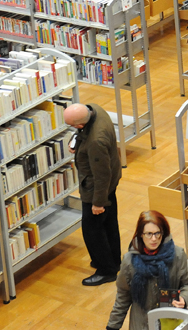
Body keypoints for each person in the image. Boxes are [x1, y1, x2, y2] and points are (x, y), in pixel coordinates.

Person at [64, 102, 122, 287]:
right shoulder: (95, 109)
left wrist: (98, 202)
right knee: (110, 223)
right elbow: (83, 131)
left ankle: (106, 270)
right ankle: (113, 260)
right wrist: (77, 139)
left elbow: (101, 175)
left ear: (80, 124)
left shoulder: (96, 141)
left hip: (96, 189)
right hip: (110, 182)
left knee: (92, 230)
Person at [106, 211, 188, 330]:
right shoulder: (129, 261)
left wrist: (184, 298)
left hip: (171, 323)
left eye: (157, 233)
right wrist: (112, 326)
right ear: (141, 234)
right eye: (149, 234)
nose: (154, 239)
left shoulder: (178, 255)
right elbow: (123, 296)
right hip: (142, 325)